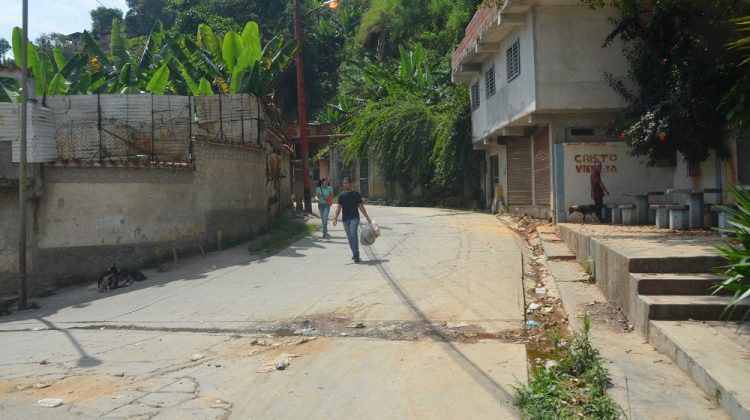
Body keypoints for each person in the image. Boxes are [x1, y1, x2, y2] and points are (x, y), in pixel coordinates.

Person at [332, 177, 371, 263]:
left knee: (353, 234)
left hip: (355, 218)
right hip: (345, 219)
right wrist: (335, 217)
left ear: (350, 184)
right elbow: (338, 207)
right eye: (344, 183)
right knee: (350, 237)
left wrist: (367, 217)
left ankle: (356, 254)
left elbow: (361, 206)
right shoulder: (341, 195)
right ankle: (355, 253)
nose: (345, 185)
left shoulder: (356, 194)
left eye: (346, 183)